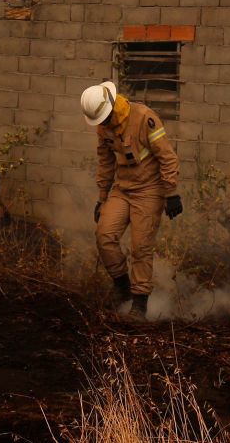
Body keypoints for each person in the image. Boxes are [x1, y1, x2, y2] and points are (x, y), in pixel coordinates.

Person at [80, 81, 183, 320]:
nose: (103, 123)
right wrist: (102, 198)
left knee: (141, 248)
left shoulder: (145, 118)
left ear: (111, 106)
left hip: (149, 190)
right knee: (104, 236)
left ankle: (139, 304)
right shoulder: (103, 126)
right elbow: (105, 161)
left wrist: (171, 193)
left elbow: (168, 157)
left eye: (104, 118)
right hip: (122, 189)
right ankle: (122, 287)